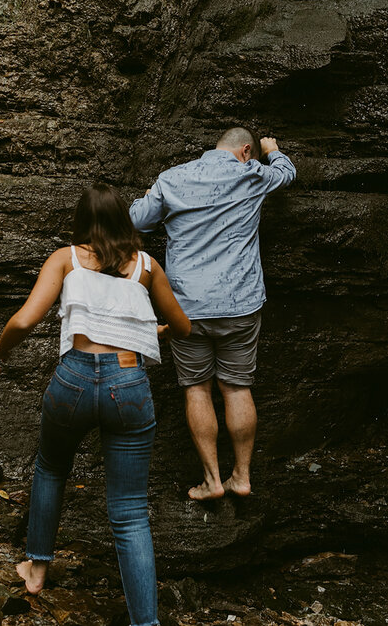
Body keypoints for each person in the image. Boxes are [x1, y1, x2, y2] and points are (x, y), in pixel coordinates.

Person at [0, 183, 190, 625]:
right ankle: (145, 623)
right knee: (130, 511)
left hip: (75, 378)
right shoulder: (146, 268)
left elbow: (25, 318)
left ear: (81, 221)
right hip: (129, 382)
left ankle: (37, 569)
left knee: (52, 467)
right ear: (125, 220)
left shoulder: (67, 258)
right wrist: (157, 332)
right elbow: (184, 327)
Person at [129, 127, 296, 501]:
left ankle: (212, 480)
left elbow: (136, 221)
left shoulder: (172, 178)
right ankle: (242, 477)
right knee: (237, 388)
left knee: (197, 389)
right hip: (240, 304)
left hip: (187, 308)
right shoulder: (252, 173)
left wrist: (146, 200)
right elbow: (286, 174)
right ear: (246, 150)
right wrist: (274, 151)